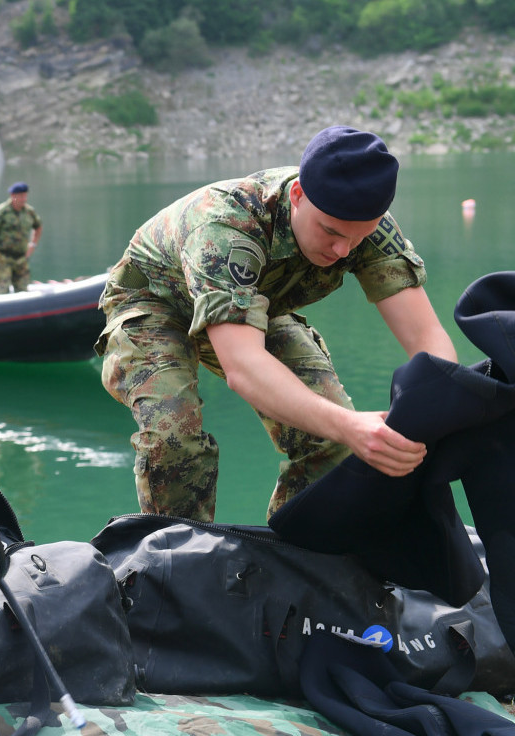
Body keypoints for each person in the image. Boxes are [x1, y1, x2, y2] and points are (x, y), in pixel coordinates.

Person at [95, 125, 458, 524]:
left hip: (252, 309)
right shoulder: (227, 225)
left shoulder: (361, 225)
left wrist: (438, 409)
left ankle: (294, 555)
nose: (342, 250)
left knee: (329, 444)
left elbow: (426, 337)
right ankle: (172, 559)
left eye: (358, 238)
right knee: (173, 438)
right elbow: (243, 367)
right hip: (157, 304)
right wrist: (351, 427)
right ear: (298, 195)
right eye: (331, 232)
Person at [0, 181, 43, 292]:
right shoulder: (1, 212)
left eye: (25, 196)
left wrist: (32, 245)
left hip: (21, 259)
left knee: (23, 291)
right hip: (3, 258)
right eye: (20, 196)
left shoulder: (29, 212)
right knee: (3, 290)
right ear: (13, 196)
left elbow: (38, 227)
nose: (23, 199)